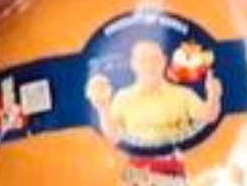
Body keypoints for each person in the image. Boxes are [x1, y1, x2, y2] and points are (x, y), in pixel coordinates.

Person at [86, 38, 222, 147]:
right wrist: (102, 108)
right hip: (138, 167)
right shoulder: (122, 97)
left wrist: (213, 96)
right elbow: (113, 137)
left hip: (177, 164)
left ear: (164, 61)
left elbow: (209, 116)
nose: (149, 65)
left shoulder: (183, 95)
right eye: (142, 60)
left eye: (154, 59)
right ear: (133, 64)